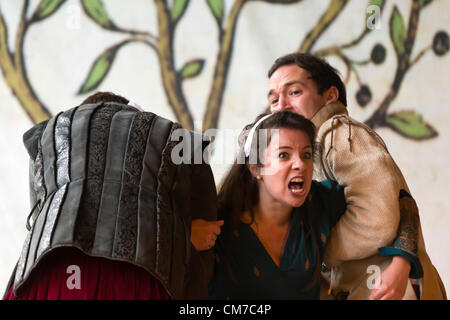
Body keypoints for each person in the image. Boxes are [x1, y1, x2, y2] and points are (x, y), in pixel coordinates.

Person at [3, 91, 219, 300]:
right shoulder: (175, 137)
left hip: (54, 275)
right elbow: (206, 227)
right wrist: (187, 239)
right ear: (133, 112)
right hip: (138, 280)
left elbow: (38, 222)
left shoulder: (46, 134)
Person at [266, 53, 446, 300]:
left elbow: (376, 215)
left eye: (294, 92)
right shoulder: (299, 150)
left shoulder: (337, 133)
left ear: (330, 96)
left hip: (385, 287)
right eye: (274, 99)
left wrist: (317, 250)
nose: (281, 105)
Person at [208, 111, 418, 299]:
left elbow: (403, 203)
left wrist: (401, 265)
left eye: (306, 155)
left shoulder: (319, 203)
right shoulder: (216, 223)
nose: (300, 164)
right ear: (256, 168)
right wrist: (188, 233)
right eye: (284, 155)